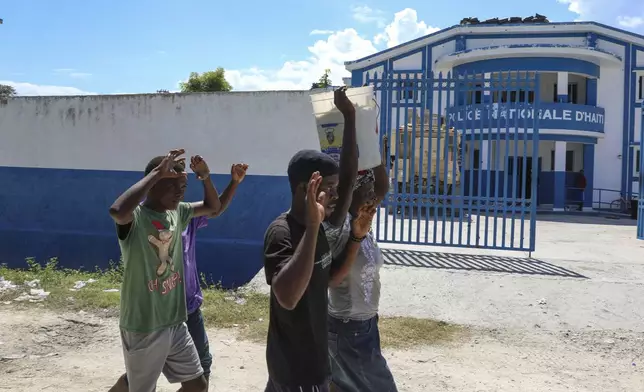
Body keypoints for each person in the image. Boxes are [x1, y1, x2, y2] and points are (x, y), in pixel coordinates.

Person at [111, 162, 249, 391]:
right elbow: (117, 212)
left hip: (176, 318)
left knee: (198, 383)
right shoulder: (136, 217)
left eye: (183, 186)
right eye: (172, 185)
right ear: (154, 183)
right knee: (139, 385)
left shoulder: (180, 212)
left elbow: (214, 207)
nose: (180, 192)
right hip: (145, 324)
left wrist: (205, 177)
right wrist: (156, 173)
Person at [262, 88, 365, 392]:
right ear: (307, 188)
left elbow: (348, 181)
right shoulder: (282, 233)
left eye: (334, 188)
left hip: (315, 362)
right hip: (295, 370)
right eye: (327, 188)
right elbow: (288, 296)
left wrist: (350, 117)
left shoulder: (319, 223)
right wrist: (311, 226)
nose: (335, 195)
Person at [327, 147, 399, 391]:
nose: (373, 196)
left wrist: (370, 144)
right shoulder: (341, 228)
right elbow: (332, 278)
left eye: (372, 191)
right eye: (366, 191)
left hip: (366, 324)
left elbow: (382, 186)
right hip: (349, 327)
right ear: (349, 194)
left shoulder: (363, 220)